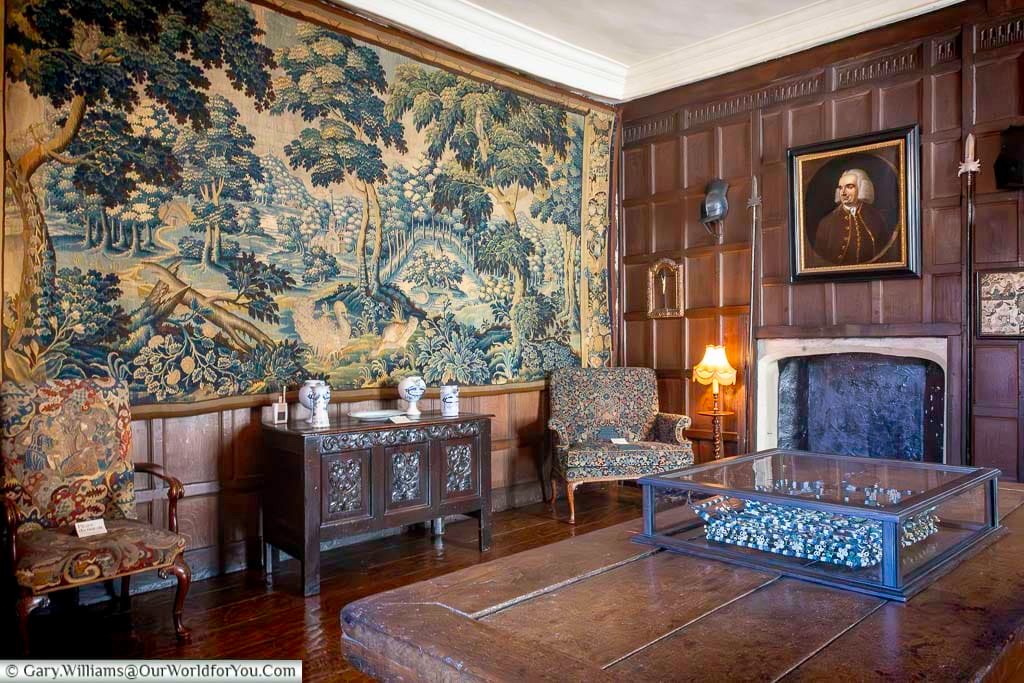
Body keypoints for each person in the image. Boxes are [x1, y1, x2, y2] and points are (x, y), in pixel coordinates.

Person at [811, 168, 890, 265]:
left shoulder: (876, 218)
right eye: (841, 188)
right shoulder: (826, 223)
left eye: (849, 187)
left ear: (861, 188)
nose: (843, 192)